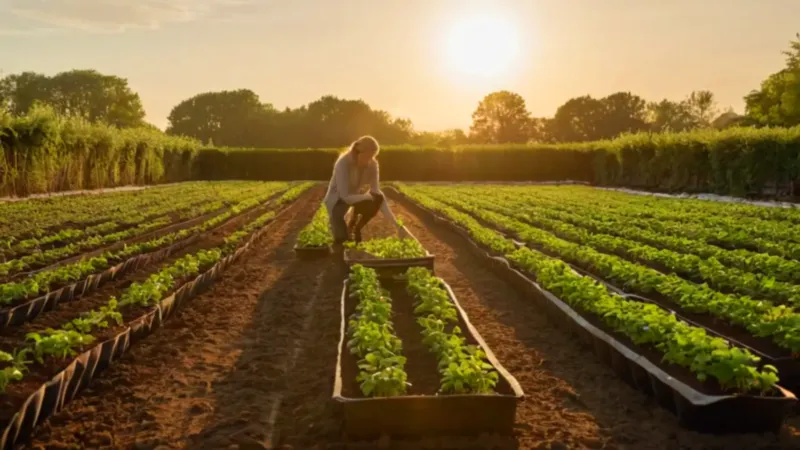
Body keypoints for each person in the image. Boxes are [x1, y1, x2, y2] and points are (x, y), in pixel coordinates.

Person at [323, 135, 407, 245]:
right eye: (367, 156)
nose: (369, 160)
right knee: (341, 240)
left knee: (376, 200)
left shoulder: (372, 164)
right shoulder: (343, 163)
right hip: (338, 200)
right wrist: (365, 197)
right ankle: (344, 231)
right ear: (358, 152)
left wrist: (396, 225)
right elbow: (345, 196)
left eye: (372, 156)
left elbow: (377, 192)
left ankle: (355, 227)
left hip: (355, 196)